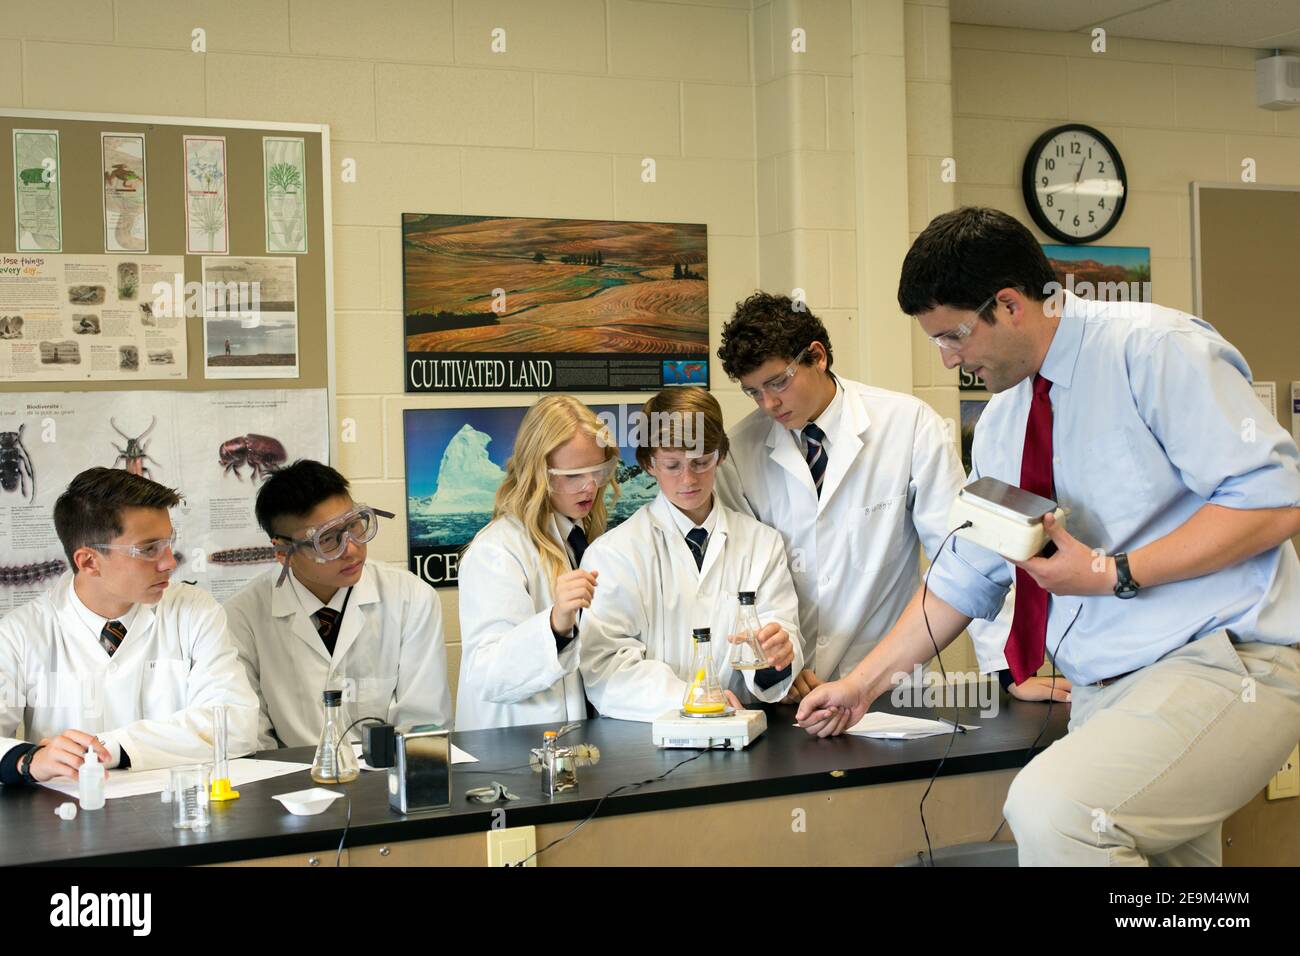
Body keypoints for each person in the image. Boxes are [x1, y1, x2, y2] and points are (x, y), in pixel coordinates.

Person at [797, 206, 1300, 866]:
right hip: (1107, 690)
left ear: (1008, 305)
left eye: (954, 336)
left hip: (1227, 663)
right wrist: (861, 686)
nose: (949, 360)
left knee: (1056, 812)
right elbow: (964, 577)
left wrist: (1113, 572)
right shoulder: (1005, 421)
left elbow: (1273, 502)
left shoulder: (1153, 349)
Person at [715, 292, 1065, 704]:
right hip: (788, 691)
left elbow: (965, 553)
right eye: (753, 392)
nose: (769, 403)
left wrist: (1009, 669)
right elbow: (743, 579)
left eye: (778, 382)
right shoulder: (738, 451)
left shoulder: (907, 425)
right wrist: (773, 670)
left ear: (817, 356)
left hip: (890, 688)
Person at [0, 468, 258, 785]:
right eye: (149, 549)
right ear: (89, 562)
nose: (169, 562)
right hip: (69, 821)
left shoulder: (194, 611)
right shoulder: (20, 633)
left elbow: (235, 725)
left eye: (168, 543)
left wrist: (112, 748)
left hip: (182, 814)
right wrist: (29, 760)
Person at [579, 387, 802, 722]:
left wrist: (776, 658)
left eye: (701, 462)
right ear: (648, 464)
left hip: (742, 731)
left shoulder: (762, 544)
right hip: (647, 743)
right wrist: (694, 697)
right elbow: (606, 667)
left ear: (721, 455)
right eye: (672, 465)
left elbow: (779, 635)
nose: (689, 479)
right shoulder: (614, 554)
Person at [223, 460, 451, 749]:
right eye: (328, 540)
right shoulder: (242, 617)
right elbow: (253, 738)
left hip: (389, 778)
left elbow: (424, 725)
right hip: (291, 784)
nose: (352, 549)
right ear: (282, 551)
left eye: (355, 525)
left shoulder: (411, 598)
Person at [456, 396, 620, 730]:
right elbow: (486, 675)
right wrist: (556, 624)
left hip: (580, 742)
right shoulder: (497, 552)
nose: (590, 486)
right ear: (537, 472)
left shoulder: (582, 538)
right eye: (573, 475)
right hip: (513, 751)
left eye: (598, 472)